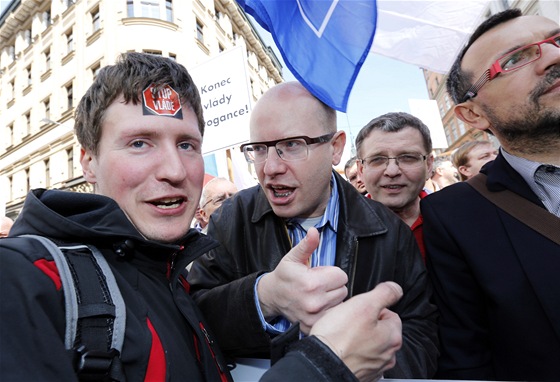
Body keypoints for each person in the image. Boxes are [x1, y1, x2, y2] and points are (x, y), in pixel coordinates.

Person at [0, 53, 405, 381]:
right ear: (88, 162)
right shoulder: (21, 278)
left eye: (188, 145)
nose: (175, 170)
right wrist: (323, 367)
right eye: (140, 143)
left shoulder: (168, 272)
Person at [188, 82, 439, 378]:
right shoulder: (232, 218)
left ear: (335, 147)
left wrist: (365, 361)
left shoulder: (390, 231)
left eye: (292, 145)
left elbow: (421, 336)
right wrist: (263, 297)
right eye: (259, 148)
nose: (270, 168)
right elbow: (193, 318)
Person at [421, 8, 560, 380]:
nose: (553, 56)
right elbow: (467, 361)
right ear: (472, 114)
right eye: (514, 59)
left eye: (557, 40)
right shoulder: (455, 216)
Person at [355, 112, 434, 260]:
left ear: (429, 165)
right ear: (361, 170)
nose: (392, 171)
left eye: (408, 158)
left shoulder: (459, 218)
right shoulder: (340, 231)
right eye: (377, 159)